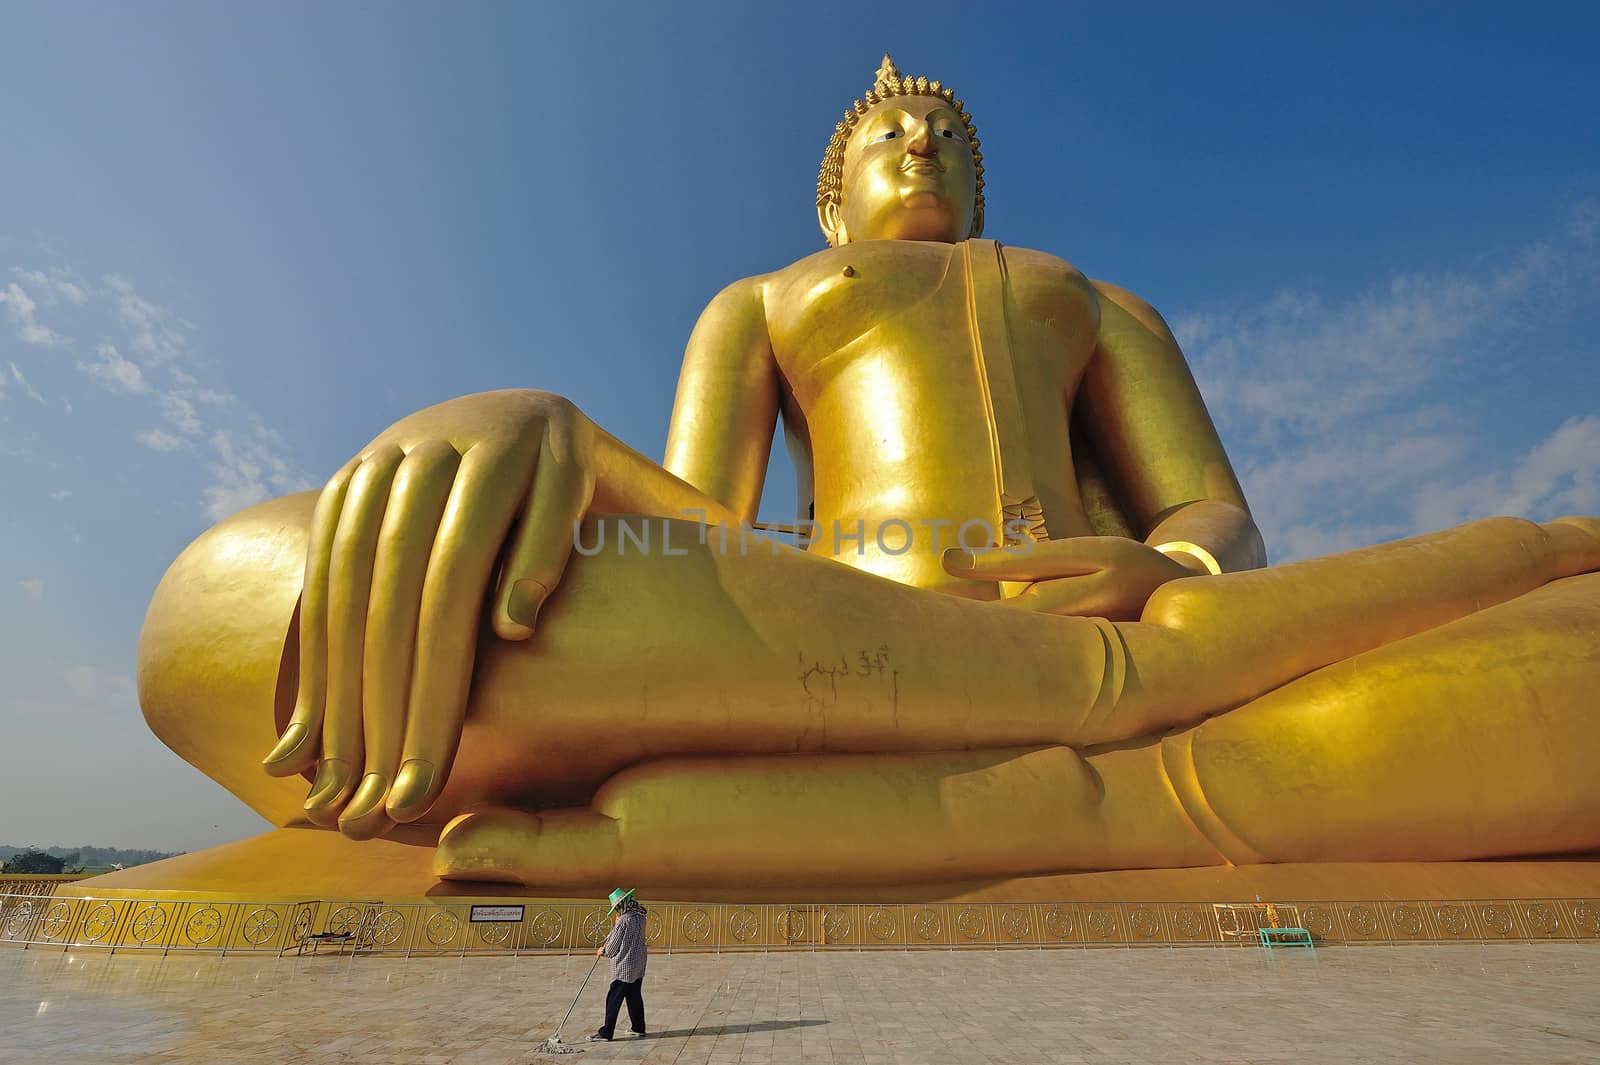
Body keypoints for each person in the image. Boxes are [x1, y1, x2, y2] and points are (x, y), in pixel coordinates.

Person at [135, 55, 1600, 892]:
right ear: (831, 195)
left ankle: (1121, 716)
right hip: (831, 645)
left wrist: (1183, 569)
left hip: (1127, 630)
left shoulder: (1090, 302)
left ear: (977, 182)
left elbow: (1213, 511)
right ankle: (1115, 732)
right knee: (233, 614)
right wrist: (552, 438)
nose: (916, 140)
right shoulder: (767, 303)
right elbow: (707, 533)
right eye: (890, 134)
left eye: (942, 134)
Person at [591, 888, 647, 1041]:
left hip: (624, 966)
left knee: (613, 998)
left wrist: (603, 950)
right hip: (638, 964)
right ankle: (638, 1027)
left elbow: (613, 947)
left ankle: (606, 1032)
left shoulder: (623, 920)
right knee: (634, 996)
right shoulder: (640, 917)